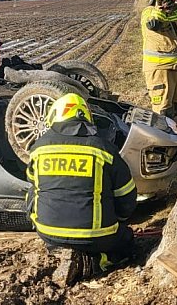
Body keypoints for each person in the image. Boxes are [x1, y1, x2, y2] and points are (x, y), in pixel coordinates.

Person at [26, 93, 137, 277]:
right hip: (98, 237)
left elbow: (33, 183)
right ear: (85, 116)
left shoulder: (38, 149)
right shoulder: (104, 150)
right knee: (126, 241)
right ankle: (97, 261)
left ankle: (59, 251)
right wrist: (119, 221)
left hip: (48, 234)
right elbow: (127, 198)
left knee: (33, 190)